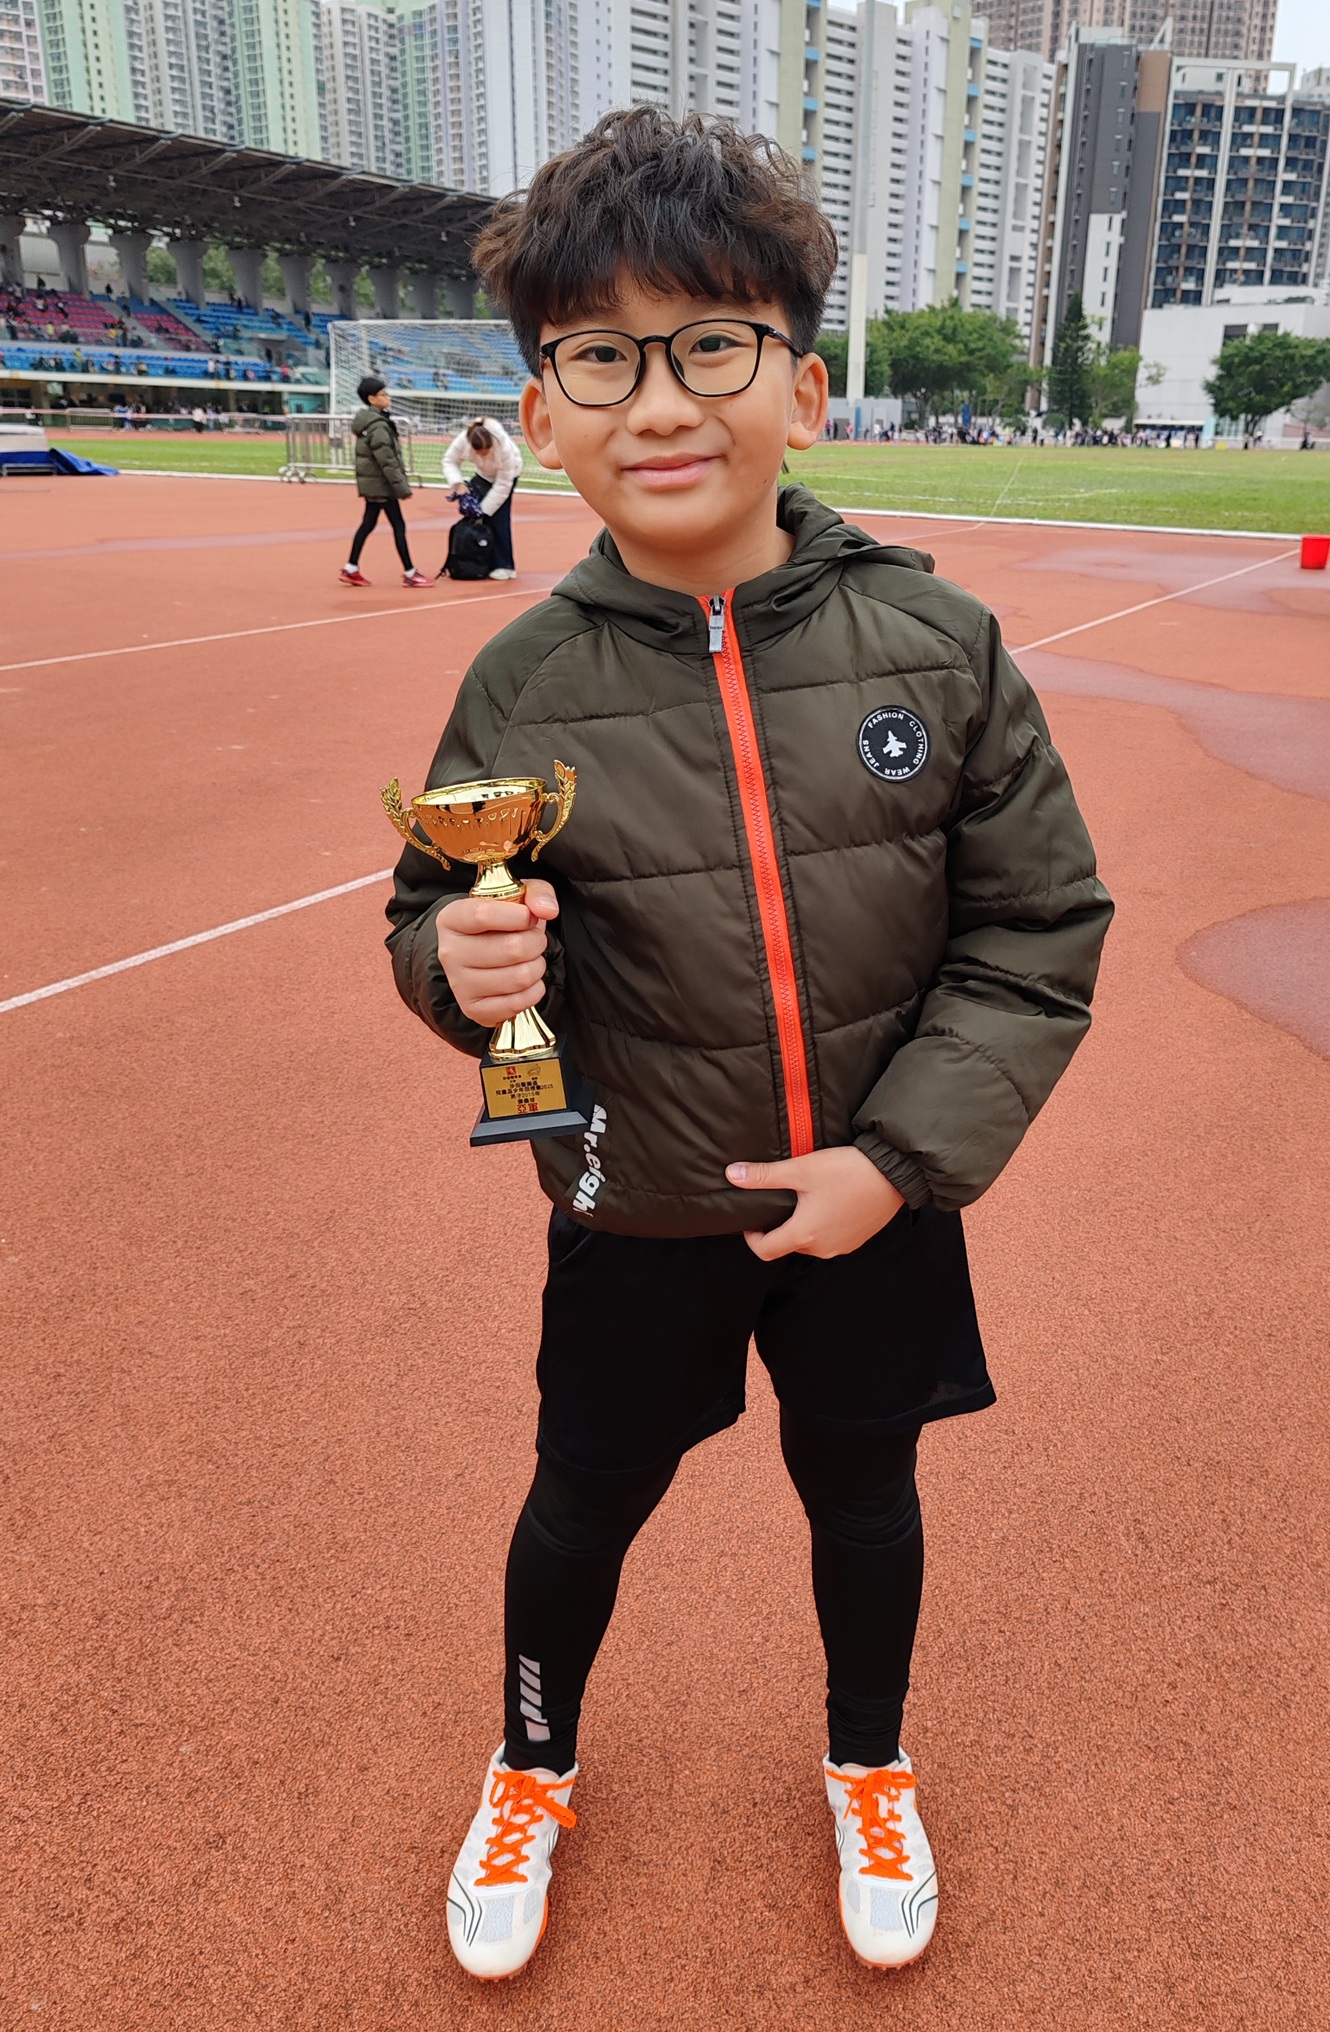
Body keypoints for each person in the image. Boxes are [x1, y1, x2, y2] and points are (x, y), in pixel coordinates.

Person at [386, 107, 1111, 1984]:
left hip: (873, 1197)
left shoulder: (935, 644)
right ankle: (531, 1761)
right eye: (599, 358)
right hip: (636, 1200)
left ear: (799, 385)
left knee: (864, 1494)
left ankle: (867, 1758)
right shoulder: (520, 682)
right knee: (581, 1500)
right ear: (539, 413)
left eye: (709, 345)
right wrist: (458, 961)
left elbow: (1037, 929)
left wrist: (899, 1160)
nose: (657, 403)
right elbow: (431, 912)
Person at [341, 374, 431, 589]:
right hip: (382, 485)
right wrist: (401, 487)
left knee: (368, 524)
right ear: (372, 399)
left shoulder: (370, 422)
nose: (388, 397)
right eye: (383, 394)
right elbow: (387, 460)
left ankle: (351, 567)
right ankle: (410, 572)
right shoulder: (378, 426)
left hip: (374, 484)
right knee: (398, 525)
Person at [442, 413, 523, 578]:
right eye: (478, 453)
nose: (482, 455)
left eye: (486, 452)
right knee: (472, 518)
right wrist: (458, 484)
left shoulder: (505, 449)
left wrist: (483, 511)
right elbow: (449, 461)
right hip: (483, 475)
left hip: (507, 476)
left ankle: (506, 566)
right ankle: (480, 562)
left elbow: (503, 485)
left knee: (499, 518)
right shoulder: (463, 439)